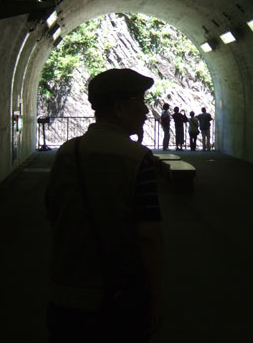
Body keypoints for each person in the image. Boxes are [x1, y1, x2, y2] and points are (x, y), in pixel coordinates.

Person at [45, 68, 164, 343]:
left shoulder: (66, 152)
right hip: (119, 300)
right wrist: (156, 298)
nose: (146, 110)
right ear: (120, 109)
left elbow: (52, 212)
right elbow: (149, 237)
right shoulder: (138, 158)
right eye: (140, 101)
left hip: (65, 295)